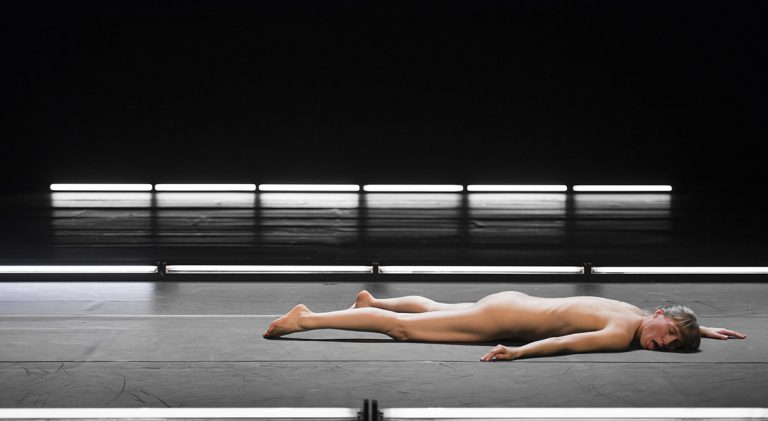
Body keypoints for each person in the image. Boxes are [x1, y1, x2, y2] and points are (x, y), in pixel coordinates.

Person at [263, 290, 747, 361]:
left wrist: (702, 330)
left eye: (669, 346)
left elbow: (671, 322)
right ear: (660, 316)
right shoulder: (622, 334)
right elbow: (563, 344)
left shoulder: (632, 311)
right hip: (504, 319)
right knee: (402, 329)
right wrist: (517, 352)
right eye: (667, 336)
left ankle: (372, 300)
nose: (660, 344)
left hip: (511, 303)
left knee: (435, 309)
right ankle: (307, 319)